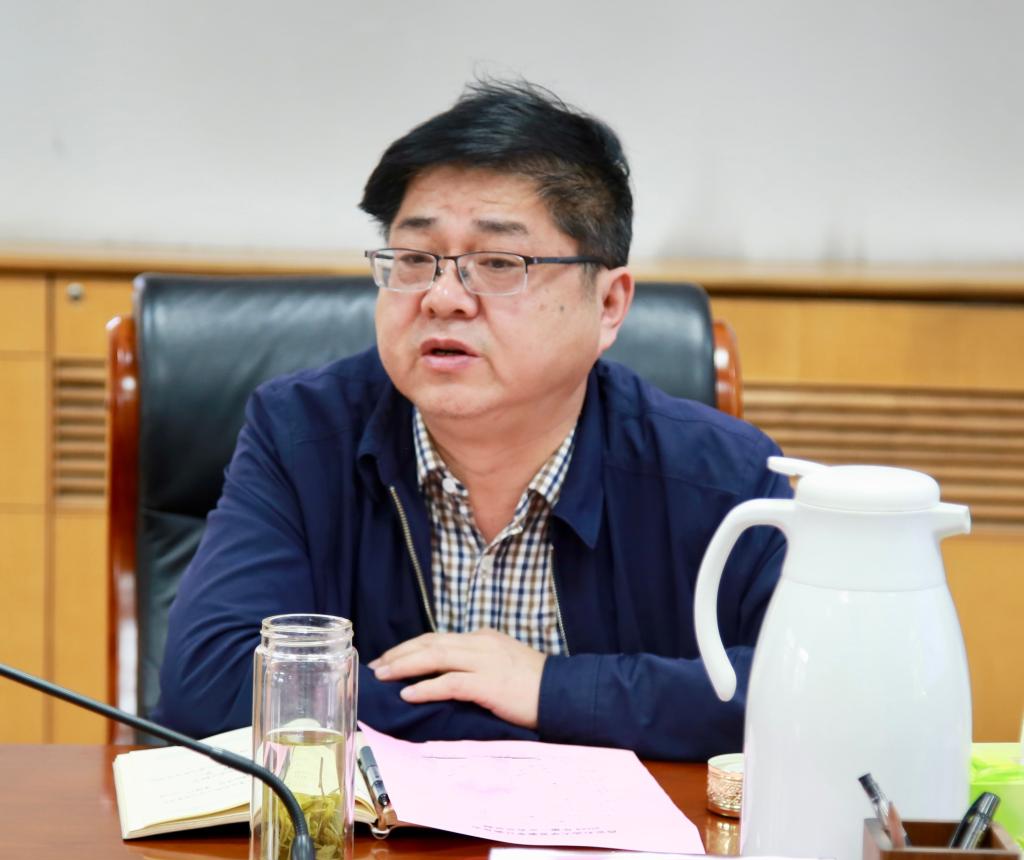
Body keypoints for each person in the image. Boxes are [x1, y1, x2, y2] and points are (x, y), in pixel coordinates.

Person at [155, 80, 790, 760]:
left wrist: (550, 688)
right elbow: (208, 687)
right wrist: (551, 722)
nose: (442, 297)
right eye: (414, 259)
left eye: (497, 263)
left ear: (608, 305)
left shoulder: (724, 477)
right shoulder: (301, 435)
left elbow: (811, 692)